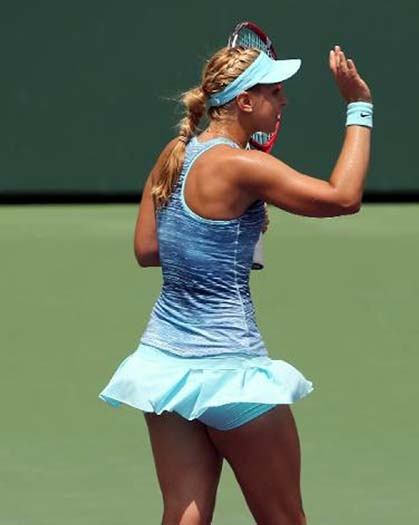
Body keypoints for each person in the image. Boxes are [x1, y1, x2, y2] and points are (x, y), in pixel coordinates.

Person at [99, 42, 372, 525]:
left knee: (183, 516)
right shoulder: (244, 166)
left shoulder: (177, 152)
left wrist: (223, 232)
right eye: (275, 91)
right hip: (232, 373)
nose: (283, 101)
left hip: (164, 367)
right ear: (245, 101)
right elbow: (343, 197)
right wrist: (359, 105)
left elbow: (148, 250)